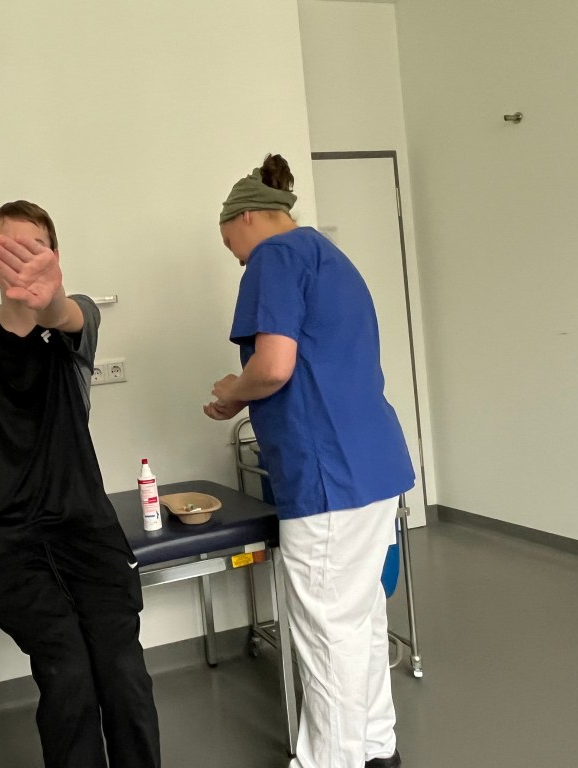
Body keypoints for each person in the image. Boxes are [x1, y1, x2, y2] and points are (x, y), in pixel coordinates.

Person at [204, 154, 415, 768]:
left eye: (230, 245)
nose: (236, 259)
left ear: (246, 218)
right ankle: (375, 748)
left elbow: (273, 367)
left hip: (328, 476)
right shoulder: (332, 259)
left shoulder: (274, 256)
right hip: (374, 464)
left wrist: (232, 391)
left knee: (325, 633)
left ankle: (329, 761)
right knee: (359, 617)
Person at [0, 200, 161, 768]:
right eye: (7, 249)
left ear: (55, 257)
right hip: (6, 538)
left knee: (122, 668)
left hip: (85, 528)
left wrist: (51, 298)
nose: (21, 262)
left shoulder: (73, 325)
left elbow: (67, 312)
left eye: (33, 249)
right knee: (67, 671)